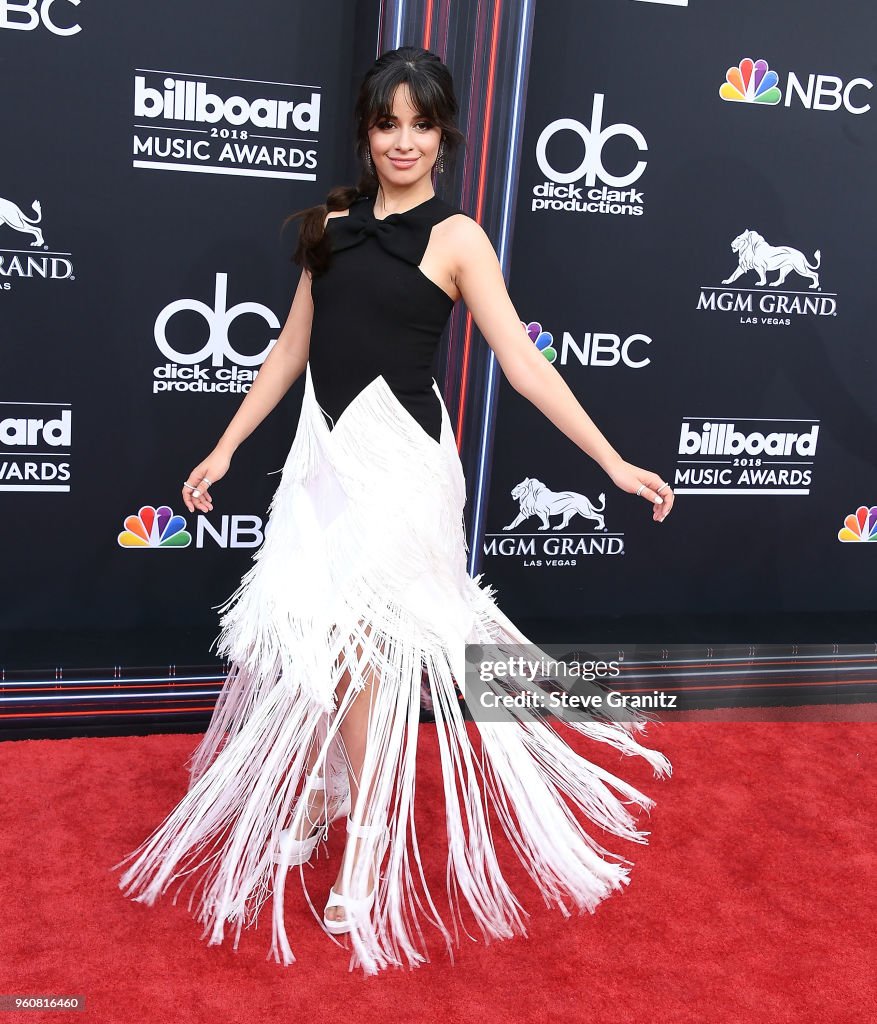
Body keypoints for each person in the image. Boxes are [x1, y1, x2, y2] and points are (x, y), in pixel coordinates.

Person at [113, 45, 673, 976]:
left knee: (369, 660)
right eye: (386, 123)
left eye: (420, 123)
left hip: (403, 466)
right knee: (324, 650)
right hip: (322, 460)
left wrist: (610, 461)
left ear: (443, 133)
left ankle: (369, 840)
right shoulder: (331, 224)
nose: (402, 141)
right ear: (366, 132)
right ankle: (335, 790)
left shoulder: (459, 240)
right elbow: (289, 349)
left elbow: (522, 363)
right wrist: (224, 446)